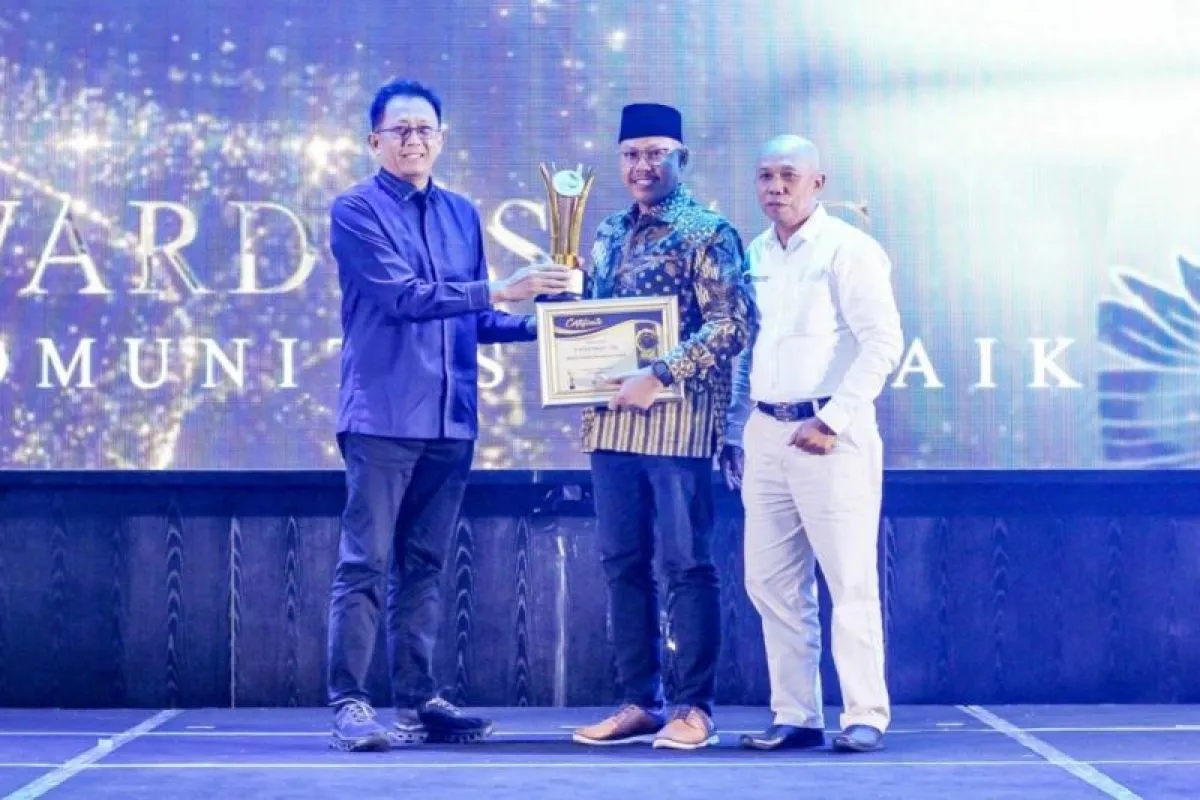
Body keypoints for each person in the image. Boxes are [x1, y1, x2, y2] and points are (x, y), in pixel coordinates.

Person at [325, 78, 570, 752]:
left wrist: (551, 327)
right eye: (400, 130)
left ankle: (418, 700)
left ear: (441, 139)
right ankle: (350, 704)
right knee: (365, 563)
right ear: (374, 140)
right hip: (382, 415)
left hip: (451, 418)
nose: (413, 140)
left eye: (424, 129)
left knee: (426, 565)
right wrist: (502, 288)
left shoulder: (461, 212)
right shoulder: (356, 210)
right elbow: (404, 297)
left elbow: (476, 317)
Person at [571, 103, 749, 751]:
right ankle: (639, 702)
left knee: (686, 565)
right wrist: (563, 308)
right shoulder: (608, 230)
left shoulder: (709, 232)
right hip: (611, 424)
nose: (642, 166)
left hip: (679, 425)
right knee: (622, 564)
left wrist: (661, 373)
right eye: (631, 154)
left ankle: (693, 708)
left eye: (655, 153)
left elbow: (733, 325)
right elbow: (593, 322)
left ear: (682, 159)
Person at [722, 135, 903, 753]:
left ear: (817, 183)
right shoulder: (754, 252)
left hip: (830, 433)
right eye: (765, 176)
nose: (775, 187)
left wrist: (834, 419)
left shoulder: (849, 249)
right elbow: (746, 348)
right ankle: (796, 714)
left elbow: (883, 343)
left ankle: (865, 714)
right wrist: (735, 430)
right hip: (766, 431)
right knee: (770, 581)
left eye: (789, 175)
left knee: (848, 579)